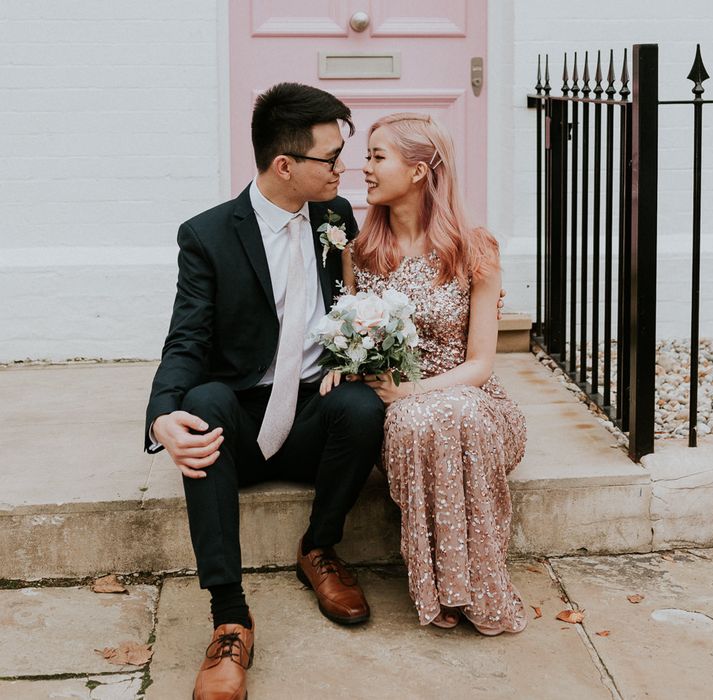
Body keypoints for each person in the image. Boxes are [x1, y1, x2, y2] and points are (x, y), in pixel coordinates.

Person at [145, 82, 386, 699]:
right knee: (201, 405)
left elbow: (348, 306)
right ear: (285, 165)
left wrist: (348, 355)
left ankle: (320, 547)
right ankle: (229, 616)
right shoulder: (207, 236)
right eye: (331, 158)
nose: (344, 168)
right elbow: (186, 338)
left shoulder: (336, 218)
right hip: (242, 421)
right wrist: (160, 416)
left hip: (309, 415)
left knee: (361, 405)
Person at [322, 113, 528, 635]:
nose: (363, 168)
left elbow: (481, 366)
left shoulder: (473, 248)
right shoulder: (361, 252)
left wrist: (412, 390)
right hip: (401, 409)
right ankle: (442, 591)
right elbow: (356, 341)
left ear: (418, 171)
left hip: (469, 399)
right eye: (366, 156)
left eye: (377, 156)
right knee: (416, 424)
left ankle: (479, 587)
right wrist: (342, 367)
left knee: (447, 412)